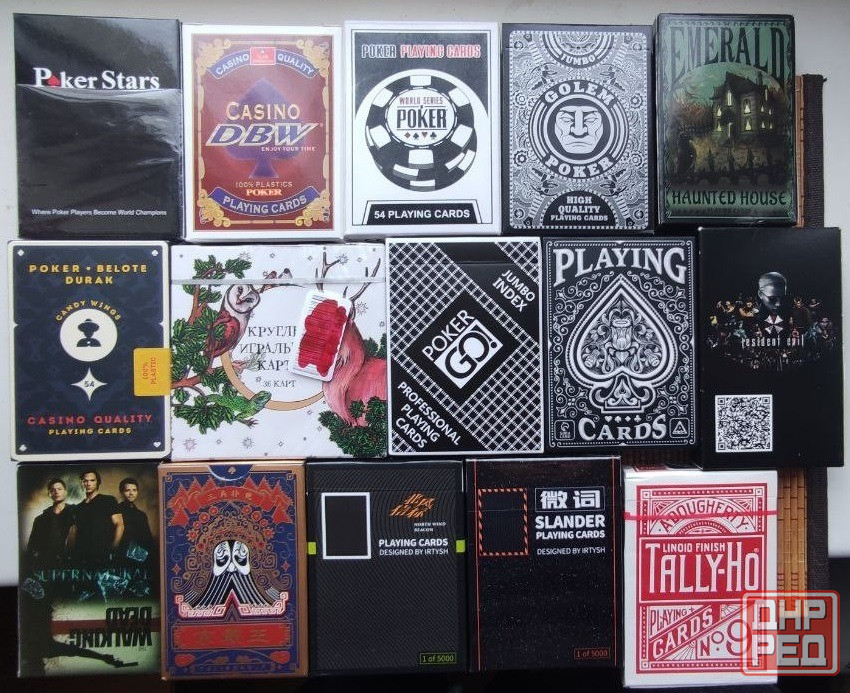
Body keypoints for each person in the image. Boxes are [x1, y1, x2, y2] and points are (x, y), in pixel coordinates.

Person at [72, 469, 123, 569]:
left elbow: (119, 525)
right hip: (82, 557)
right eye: (85, 481)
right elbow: (74, 532)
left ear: (98, 482)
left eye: (92, 480)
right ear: (82, 483)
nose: (88, 484)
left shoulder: (108, 500)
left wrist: (114, 549)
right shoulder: (78, 508)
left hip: (103, 555)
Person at [25, 478, 75, 571]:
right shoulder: (40, 520)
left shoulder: (76, 513)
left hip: (72, 566)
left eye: (59, 489)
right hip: (47, 566)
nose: (56, 492)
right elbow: (32, 547)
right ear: (49, 494)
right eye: (53, 490)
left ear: (65, 492)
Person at [117, 477, 154, 562]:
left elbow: (148, 539)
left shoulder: (141, 515)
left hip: (141, 557)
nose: (131, 493)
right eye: (127, 490)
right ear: (121, 492)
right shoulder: (116, 511)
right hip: (120, 556)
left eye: (134, 490)